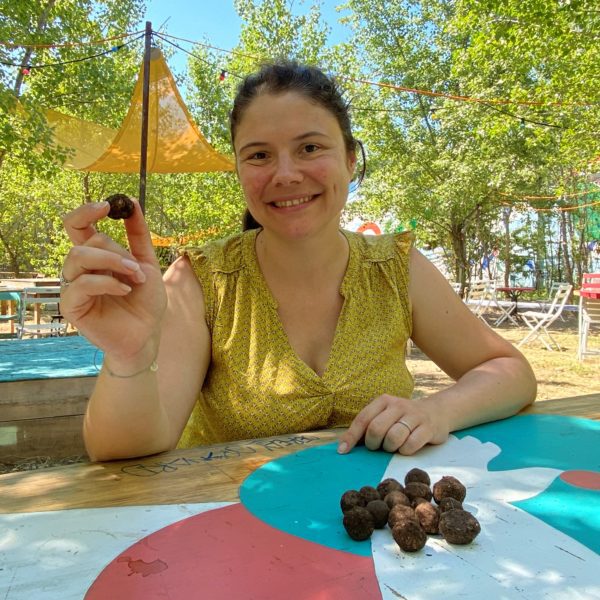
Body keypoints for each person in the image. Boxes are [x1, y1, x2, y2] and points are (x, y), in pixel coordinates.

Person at [59, 61, 537, 462]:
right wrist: (129, 356)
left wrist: (438, 412)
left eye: (310, 147)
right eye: (260, 155)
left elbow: (510, 373)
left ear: (350, 160)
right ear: (241, 171)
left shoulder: (397, 267)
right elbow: (126, 452)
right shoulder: (200, 280)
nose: (286, 174)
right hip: (230, 539)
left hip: (375, 543)